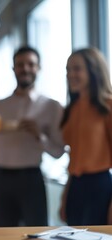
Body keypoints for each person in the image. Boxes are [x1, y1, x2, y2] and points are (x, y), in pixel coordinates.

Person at [0, 46, 65, 227]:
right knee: (2, 234)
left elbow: (58, 152)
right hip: (0, 178)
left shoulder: (52, 106)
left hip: (31, 179)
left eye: (31, 64)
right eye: (20, 65)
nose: (25, 68)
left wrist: (39, 136)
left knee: (37, 232)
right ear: (13, 69)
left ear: (38, 68)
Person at [59, 47, 112, 225]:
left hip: (100, 186)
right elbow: (74, 157)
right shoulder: (71, 109)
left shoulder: (108, 106)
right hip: (75, 186)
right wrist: (65, 197)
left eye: (76, 68)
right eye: (68, 69)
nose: (70, 74)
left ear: (93, 70)